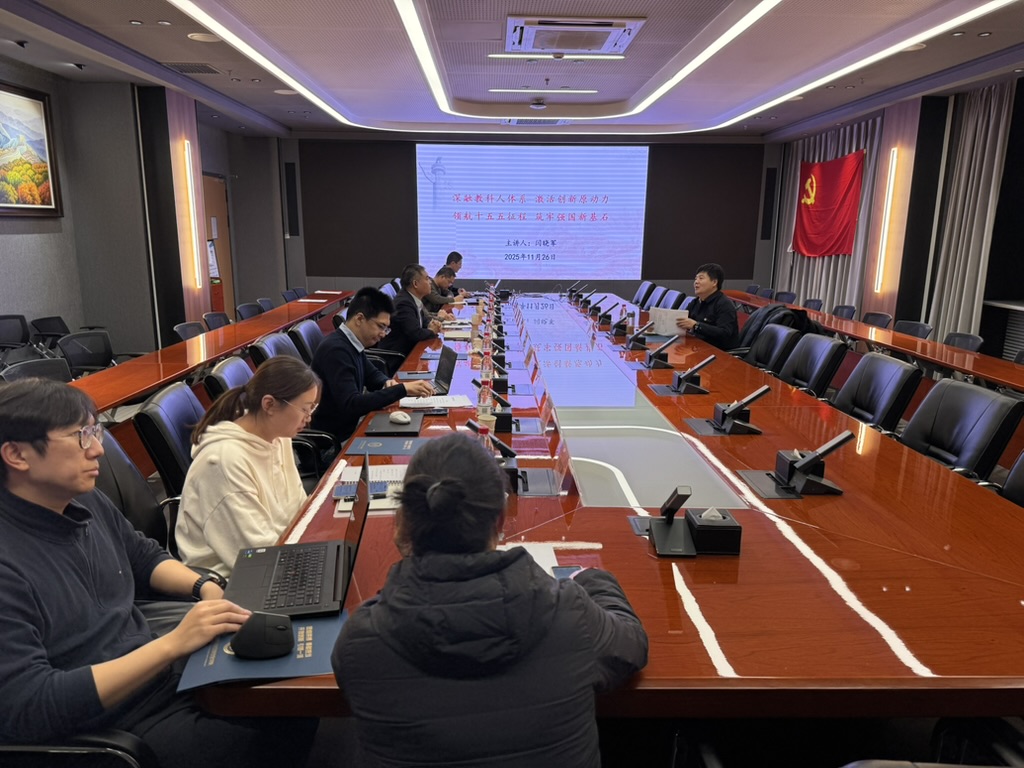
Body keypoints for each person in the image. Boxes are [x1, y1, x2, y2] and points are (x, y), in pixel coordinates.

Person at [0, 379, 317, 767]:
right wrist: (173, 644)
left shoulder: (82, 498)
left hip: (156, 669)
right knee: (277, 728)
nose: (97, 448)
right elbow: (31, 705)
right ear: (16, 454)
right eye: (80, 436)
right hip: (113, 722)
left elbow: (143, 557)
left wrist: (205, 586)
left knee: (296, 682)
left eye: (94, 432)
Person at [332, 433, 648, 767]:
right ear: (499, 521)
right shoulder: (569, 612)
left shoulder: (361, 641)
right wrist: (594, 579)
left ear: (404, 523)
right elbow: (633, 644)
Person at [176, 356, 321, 578]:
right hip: (233, 578)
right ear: (269, 405)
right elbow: (256, 553)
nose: (308, 419)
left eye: (311, 408)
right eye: (304, 409)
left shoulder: (278, 436)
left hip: (282, 552)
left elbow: (297, 506)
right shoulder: (224, 461)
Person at [310, 286, 433, 440]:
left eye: (386, 329)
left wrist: (387, 382)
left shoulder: (351, 342)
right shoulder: (336, 350)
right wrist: (402, 389)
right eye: (381, 326)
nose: (383, 334)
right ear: (359, 319)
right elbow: (352, 404)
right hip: (336, 439)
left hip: (351, 426)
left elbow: (372, 375)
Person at [376, 263, 443, 370]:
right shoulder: (404, 303)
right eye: (427, 279)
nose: (430, 282)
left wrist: (432, 324)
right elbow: (415, 333)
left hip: (409, 352)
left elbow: (423, 321)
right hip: (398, 359)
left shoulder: (412, 299)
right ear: (415, 284)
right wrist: (432, 331)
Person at [676, 262, 739, 350]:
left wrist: (696, 326)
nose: (696, 282)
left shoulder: (724, 304)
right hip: (697, 347)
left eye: (701, 278)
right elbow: (682, 320)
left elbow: (724, 333)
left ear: (714, 282)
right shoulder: (696, 301)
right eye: (696, 279)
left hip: (717, 352)